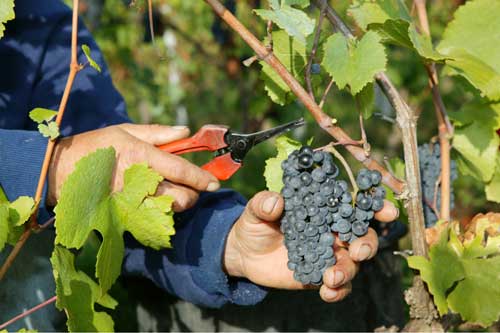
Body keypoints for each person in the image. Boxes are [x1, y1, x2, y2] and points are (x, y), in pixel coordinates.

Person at [0, 0, 399, 330]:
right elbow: (83, 165)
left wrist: (228, 244)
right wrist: (45, 166)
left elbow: (131, 194)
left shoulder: (44, 25)